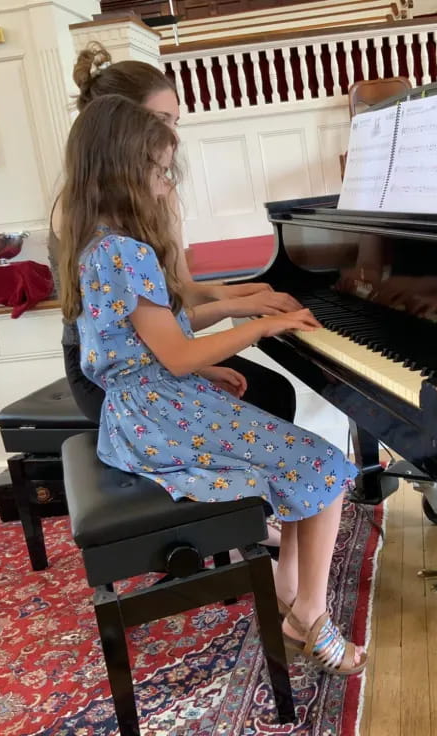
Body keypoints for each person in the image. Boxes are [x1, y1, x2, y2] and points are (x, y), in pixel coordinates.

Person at [57, 93, 367, 675]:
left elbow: (154, 334)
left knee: (297, 459)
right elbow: (172, 354)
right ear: (125, 171)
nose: (168, 184)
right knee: (324, 464)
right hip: (159, 411)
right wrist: (267, 322)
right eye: (159, 170)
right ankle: (313, 616)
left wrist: (231, 321)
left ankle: (289, 594)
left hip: (140, 409)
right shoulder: (126, 251)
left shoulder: (96, 243)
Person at [50, 42, 299, 427]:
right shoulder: (89, 217)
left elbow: (175, 295)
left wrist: (233, 295)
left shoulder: (147, 197)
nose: (172, 135)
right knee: (267, 396)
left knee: (268, 391)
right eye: (161, 120)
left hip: (149, 351)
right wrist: (242, 313)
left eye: (174, 121)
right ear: (122, 127)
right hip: (110, 369)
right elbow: (155, 328)